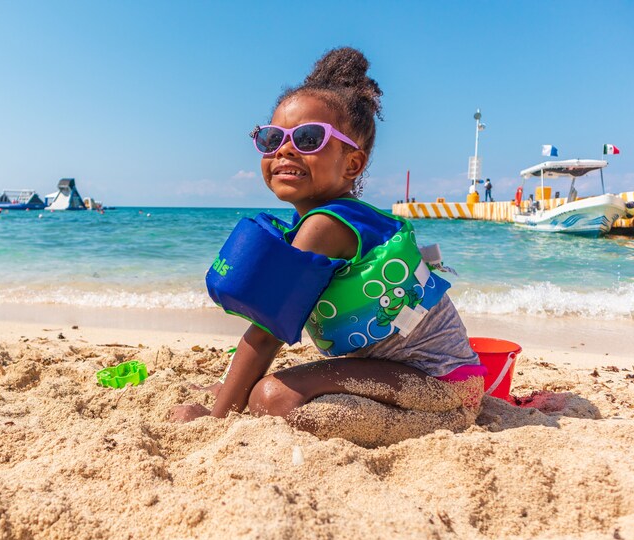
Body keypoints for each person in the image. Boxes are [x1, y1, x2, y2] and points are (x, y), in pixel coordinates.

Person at [170, 47, 486, 447]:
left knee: (270, 399)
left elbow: (266, 333)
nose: (284, 149)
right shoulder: (324, 220)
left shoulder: (324, 226)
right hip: (411, 375)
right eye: (271, 138)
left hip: (443, 386)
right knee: (265, 392)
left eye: (307, 138)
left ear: (352, 164)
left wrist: (215, 418)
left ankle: (447, 423)